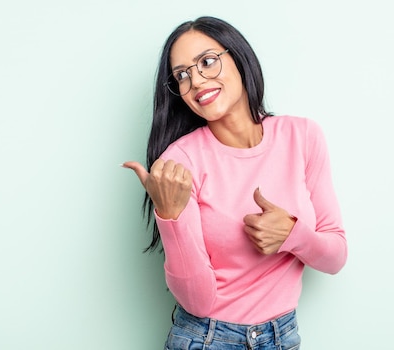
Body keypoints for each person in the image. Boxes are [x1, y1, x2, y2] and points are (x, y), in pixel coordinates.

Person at [122, 15, 347, 350]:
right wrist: (170, 216)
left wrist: (292, 234)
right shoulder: (179, 162)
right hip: (206, 338)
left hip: (283, 336)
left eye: (207, 62)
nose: (196, 81)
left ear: (240, 58)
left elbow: (335, 256)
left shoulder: (302, 136)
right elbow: (197, 302)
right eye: (182, 75)